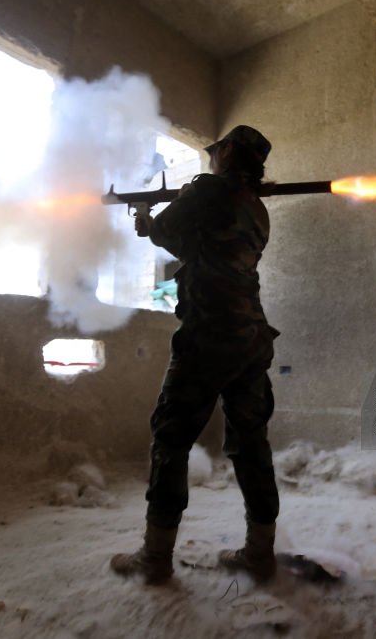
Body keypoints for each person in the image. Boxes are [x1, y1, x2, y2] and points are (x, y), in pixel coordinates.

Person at [110, 125, 281, 585]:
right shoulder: (258, 210)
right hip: (250, 337)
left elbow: (166, 231)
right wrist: (175, 212)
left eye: (217, 150)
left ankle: (155, 560)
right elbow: (202, 248)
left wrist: (147, 217)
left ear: (226, 152)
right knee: (252, 444)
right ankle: (261, 556)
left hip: (208, 335)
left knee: (171, 439)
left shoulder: (208, 191)